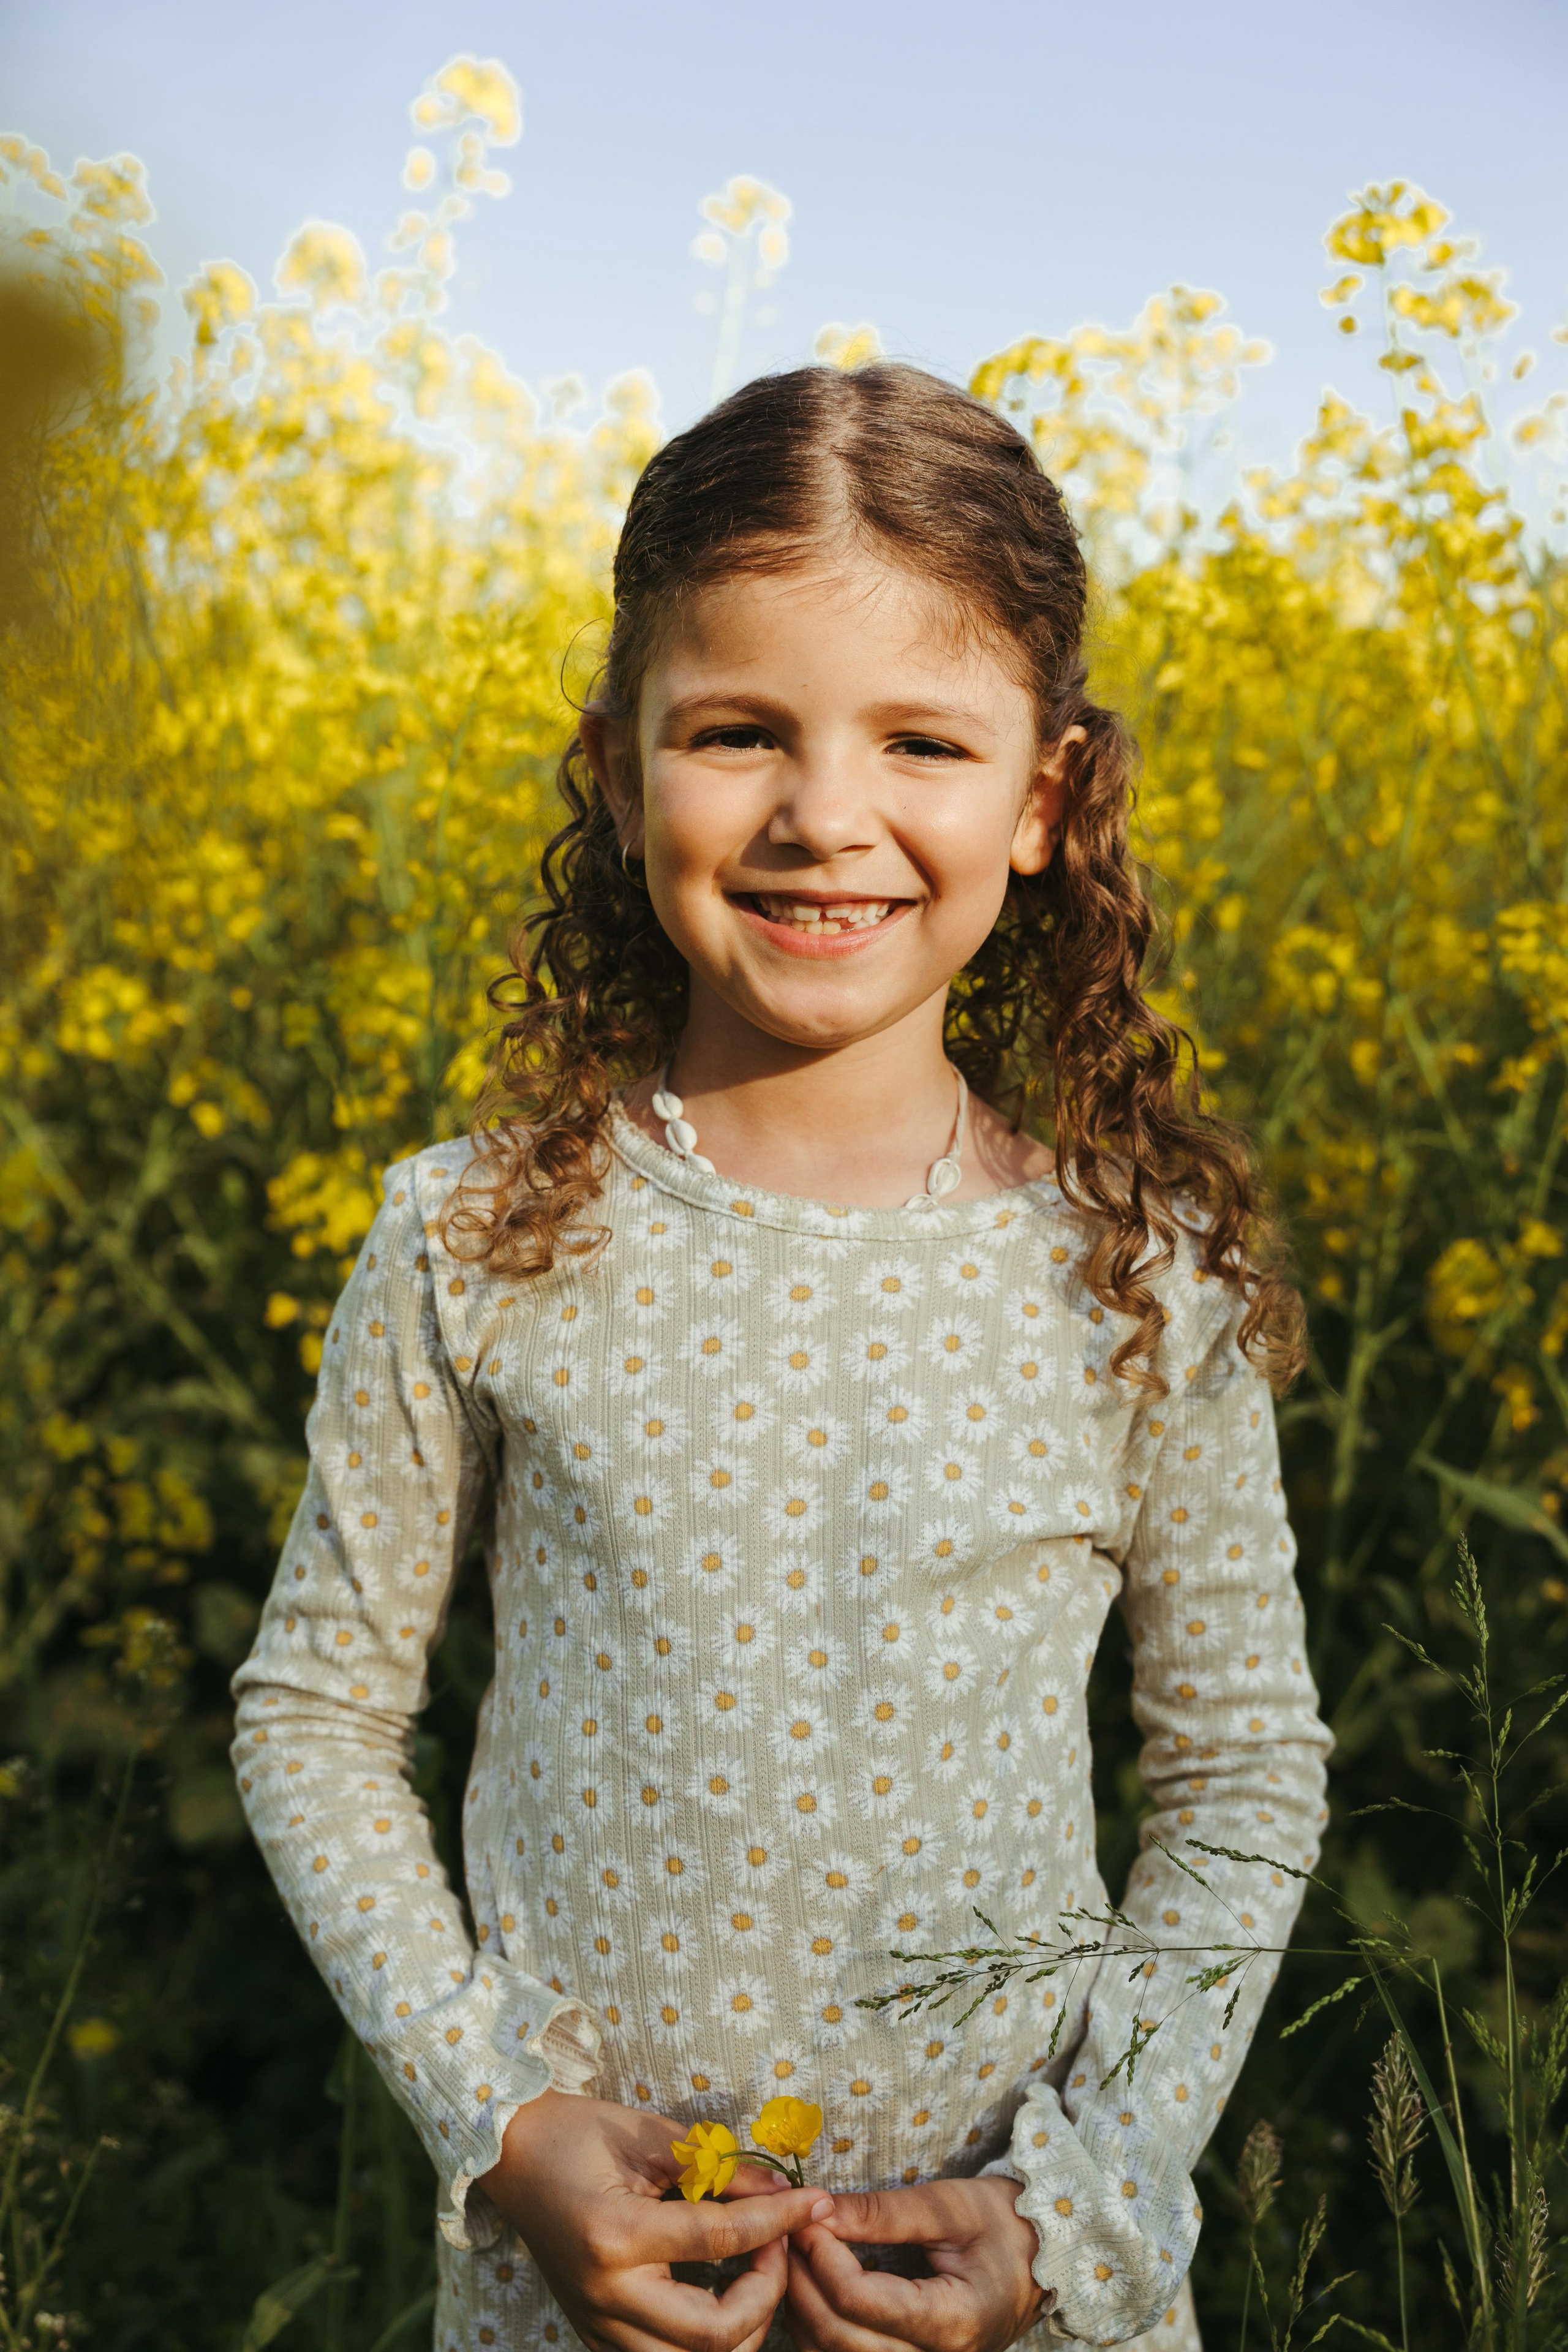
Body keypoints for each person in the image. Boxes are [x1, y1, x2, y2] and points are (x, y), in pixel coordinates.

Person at [232, 361, 1330, 2352]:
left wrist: (1080, 2201)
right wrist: (503, 2129)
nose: (829, 817)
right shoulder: (472, 1234)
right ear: (622, 766)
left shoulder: (1134, 1276)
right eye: (738, 734)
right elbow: (314, 1717)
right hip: (586, 2294)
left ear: (1047, 799)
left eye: (924, 740)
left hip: (1016, 2293)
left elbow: (1244, 1777)